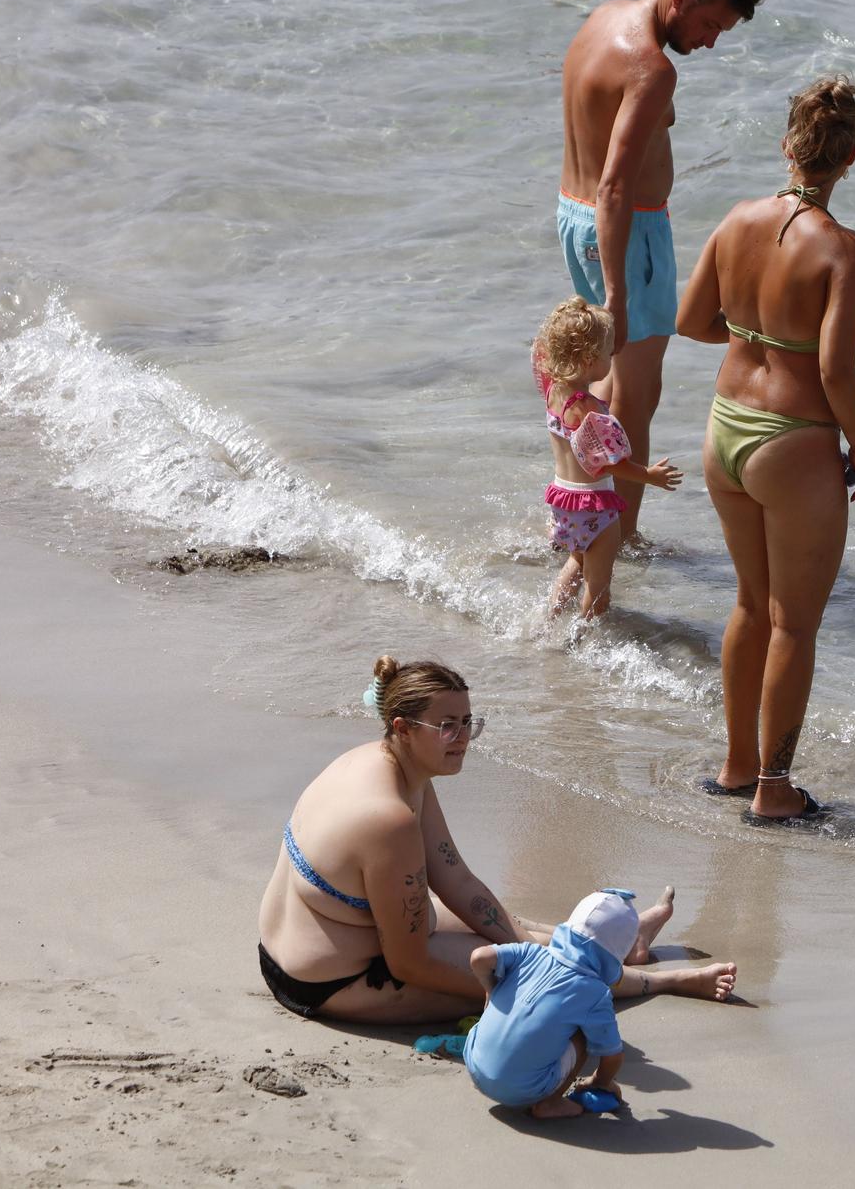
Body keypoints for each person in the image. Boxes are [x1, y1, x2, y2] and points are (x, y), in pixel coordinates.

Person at [257, 656, 736, 1023]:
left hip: (339, 935)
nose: (463, 737)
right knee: (551, 984)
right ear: (402, 727)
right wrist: (525, 981)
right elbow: (407, 964)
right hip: (332, 980)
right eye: (448, 726)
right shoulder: (388, 818)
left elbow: (456, 880)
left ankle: (622, 945)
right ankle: (664, 982)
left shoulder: (385, 765)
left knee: (512, 926)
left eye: (469, 723)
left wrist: (522, 944)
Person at [675, 76, 855, 823]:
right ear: (850, 157)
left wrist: (750, 337)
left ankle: (735, 765)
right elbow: (834, 369)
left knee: (748, 605)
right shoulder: (843, 250)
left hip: (724, 426)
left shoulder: (736, 221)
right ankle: (774, 787)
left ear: (786, 146)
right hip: (793, 443)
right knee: (794, 622)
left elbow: (691, 320)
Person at [556, 0, 760, 543]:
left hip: (574, 214)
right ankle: (617, 541)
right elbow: (616, 185)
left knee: (608, 382)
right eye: (710, 24)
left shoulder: (603, 17)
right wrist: (618, 291)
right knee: (638, 395)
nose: (710, 42)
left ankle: (577, 511)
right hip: (624, 230)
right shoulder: (652, 66)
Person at [534, 296, 682, 620]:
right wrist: (650, 475)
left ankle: (548, 621)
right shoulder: (587, 407)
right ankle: (584, 639)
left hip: (563, 500)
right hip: (594, 505)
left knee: (576, 562)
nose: (611, 358)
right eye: (607, 353)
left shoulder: (554, 392)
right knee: (598, 585)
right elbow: (609, 463)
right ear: (589, 359)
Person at [464, 889, 637, 1119]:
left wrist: (491, 992)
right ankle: (550, 1104)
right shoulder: (595, 993)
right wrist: (600, 1082)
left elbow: (479, 958)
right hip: (522, 1091)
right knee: (584, 1035)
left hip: (474, 1064)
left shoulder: (530, 952)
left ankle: (490, 1072)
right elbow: (612, 1055)